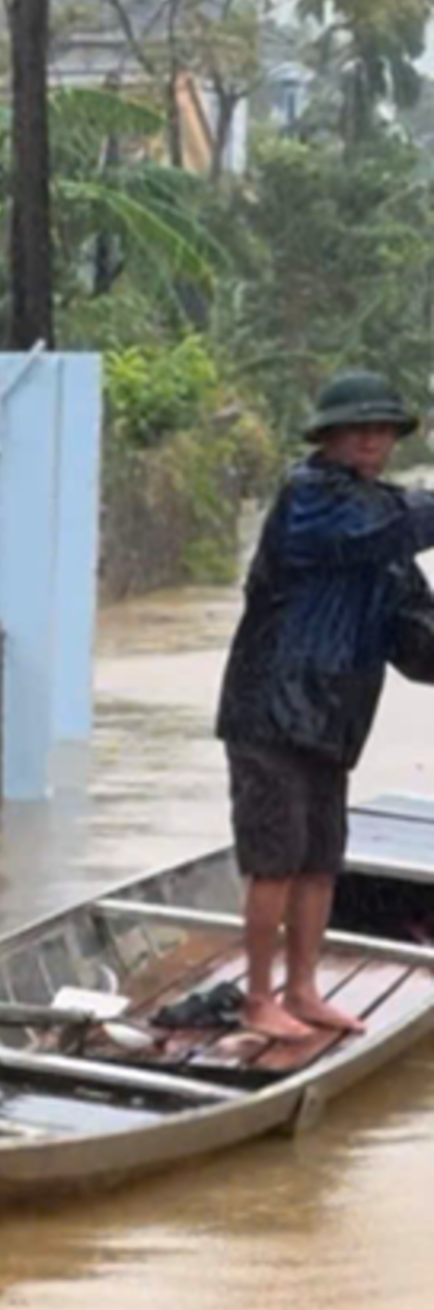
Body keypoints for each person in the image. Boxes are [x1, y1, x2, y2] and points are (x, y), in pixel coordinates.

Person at [217, 367, 434, 1040]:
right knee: (273, 861)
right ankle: (258, 997)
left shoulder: (386, 533)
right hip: (271, 712)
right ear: (330, 437)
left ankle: (303, 989)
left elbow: (415, 637)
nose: (371, 440)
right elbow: (374, 529)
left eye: (381, 430)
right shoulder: (311, 499)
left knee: (319, 860)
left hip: (333, 722)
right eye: (357, 429)